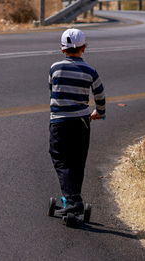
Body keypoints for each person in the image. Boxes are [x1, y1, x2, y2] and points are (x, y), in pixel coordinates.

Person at [49, 27, 106, 223]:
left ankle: (72, 200)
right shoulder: (91, 71)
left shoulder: (55, 68)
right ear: (84, 48)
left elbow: (52, 89)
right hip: (82, 122)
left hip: (59, 121)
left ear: (62, 49)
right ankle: (75, 198)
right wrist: (99, 112)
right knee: (77, 161)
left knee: (60, 159)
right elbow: (100, 95)